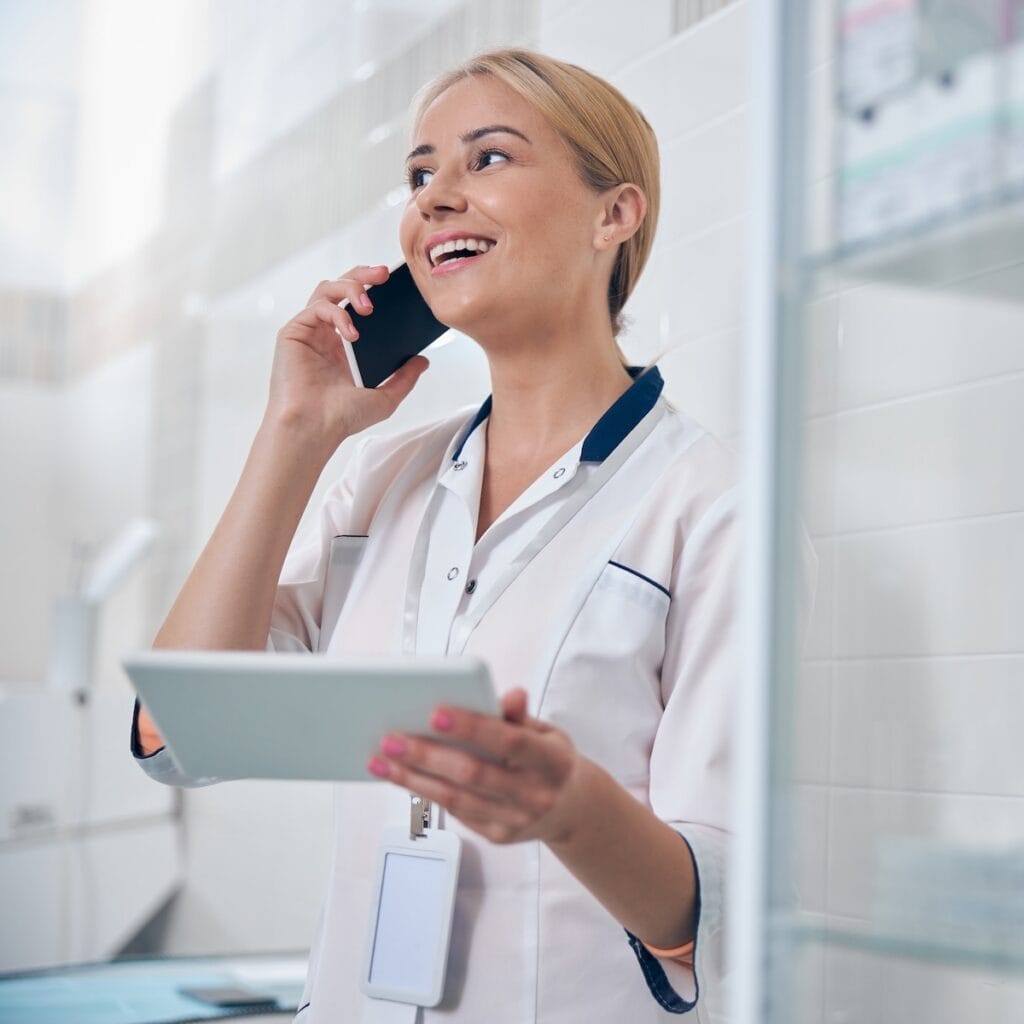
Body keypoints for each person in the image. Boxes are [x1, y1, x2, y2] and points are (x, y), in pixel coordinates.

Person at [132, 48, 737, 1023]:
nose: (435, 201)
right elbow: (180, 733)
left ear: (613, 215)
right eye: (420, 176)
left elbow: (712, 907)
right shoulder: (380, 476)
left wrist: (566, 807)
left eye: (486, 159)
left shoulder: (710, 502)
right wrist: (296, 433)